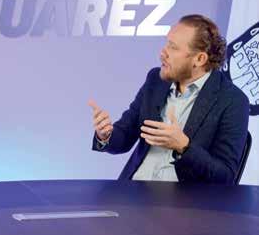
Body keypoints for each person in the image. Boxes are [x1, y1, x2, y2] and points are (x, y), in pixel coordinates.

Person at [89, 14, 249, 184]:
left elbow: (225, 177)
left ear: (199, 59)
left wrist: (184, 146)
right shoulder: (155, 80)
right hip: (133, 189)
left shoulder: (233, 101)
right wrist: (105, 135)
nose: (163, 53)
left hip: (184, 198)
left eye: (173, 47)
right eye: (167, 43)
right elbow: (125, 136)